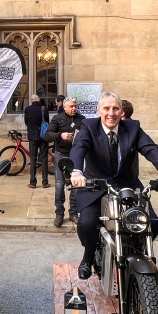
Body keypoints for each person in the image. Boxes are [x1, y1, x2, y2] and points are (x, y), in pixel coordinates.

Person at [70, 92, 158, 279]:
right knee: (87, 224)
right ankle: (88, 257)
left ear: (121, 111)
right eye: (106, 108)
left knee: (152, 224)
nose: (111, 113)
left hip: (127, 185)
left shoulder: (133, 127)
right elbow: (79, 147)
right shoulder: (89, 126)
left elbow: (151, 149)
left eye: (115, 108)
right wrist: (76, 171)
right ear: (99, 111)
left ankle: (134, 257)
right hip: (96, 186)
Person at [44, 97, 86, 227]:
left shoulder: (82, 119)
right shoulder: (57, 118)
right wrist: (60, 135)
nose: (74, 108)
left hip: (76, 155)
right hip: (60, 154)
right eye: (71, 106)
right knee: (59, 184)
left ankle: (73, 213)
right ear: (65, 107)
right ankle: (59, 214)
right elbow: (47, 135)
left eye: (75, 106)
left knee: (76, 185)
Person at [24, 94, 50, 189]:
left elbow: (26, 122)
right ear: (38, 100)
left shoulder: (27, 109)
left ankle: (33, 182)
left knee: (33, 158)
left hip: (33, 137)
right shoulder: (44, 109)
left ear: (31, 100)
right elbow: (46, 122)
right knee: (44, 159)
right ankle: (45, 182)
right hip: (43, 136)